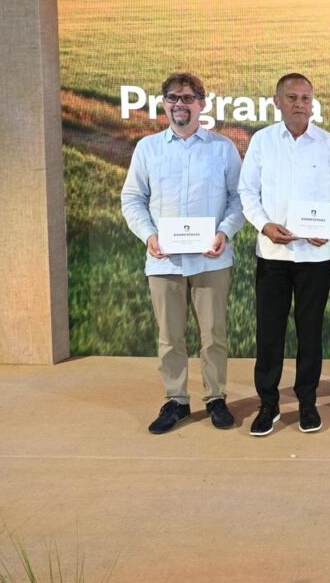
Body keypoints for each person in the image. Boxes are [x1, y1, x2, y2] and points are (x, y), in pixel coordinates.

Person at [121, 72, 244, 434]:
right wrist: (149, 235)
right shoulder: (148, 148)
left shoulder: (222, 148)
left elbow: (239, 198)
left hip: (212, 258)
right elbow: (132, 198)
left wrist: (224, 232)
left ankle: (216, 398)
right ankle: (177, 400)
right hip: (164, 260)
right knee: (170, 336)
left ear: (201, 105)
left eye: (188, 98)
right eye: (173, 98)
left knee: (213, 333)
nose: (180, 104)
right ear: (164, 104)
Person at [238, 73, 330, 436]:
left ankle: (307, 401)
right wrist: (264, 225)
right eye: (291, 97)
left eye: (306, 98)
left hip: (315, 258)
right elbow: (247, 191)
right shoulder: (262, 141)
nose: (299, 104)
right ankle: (268, 404)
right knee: (269, 333)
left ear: (312, 102)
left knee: (310, 333)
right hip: (273, 254)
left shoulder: (328, 143)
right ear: (277, 102)